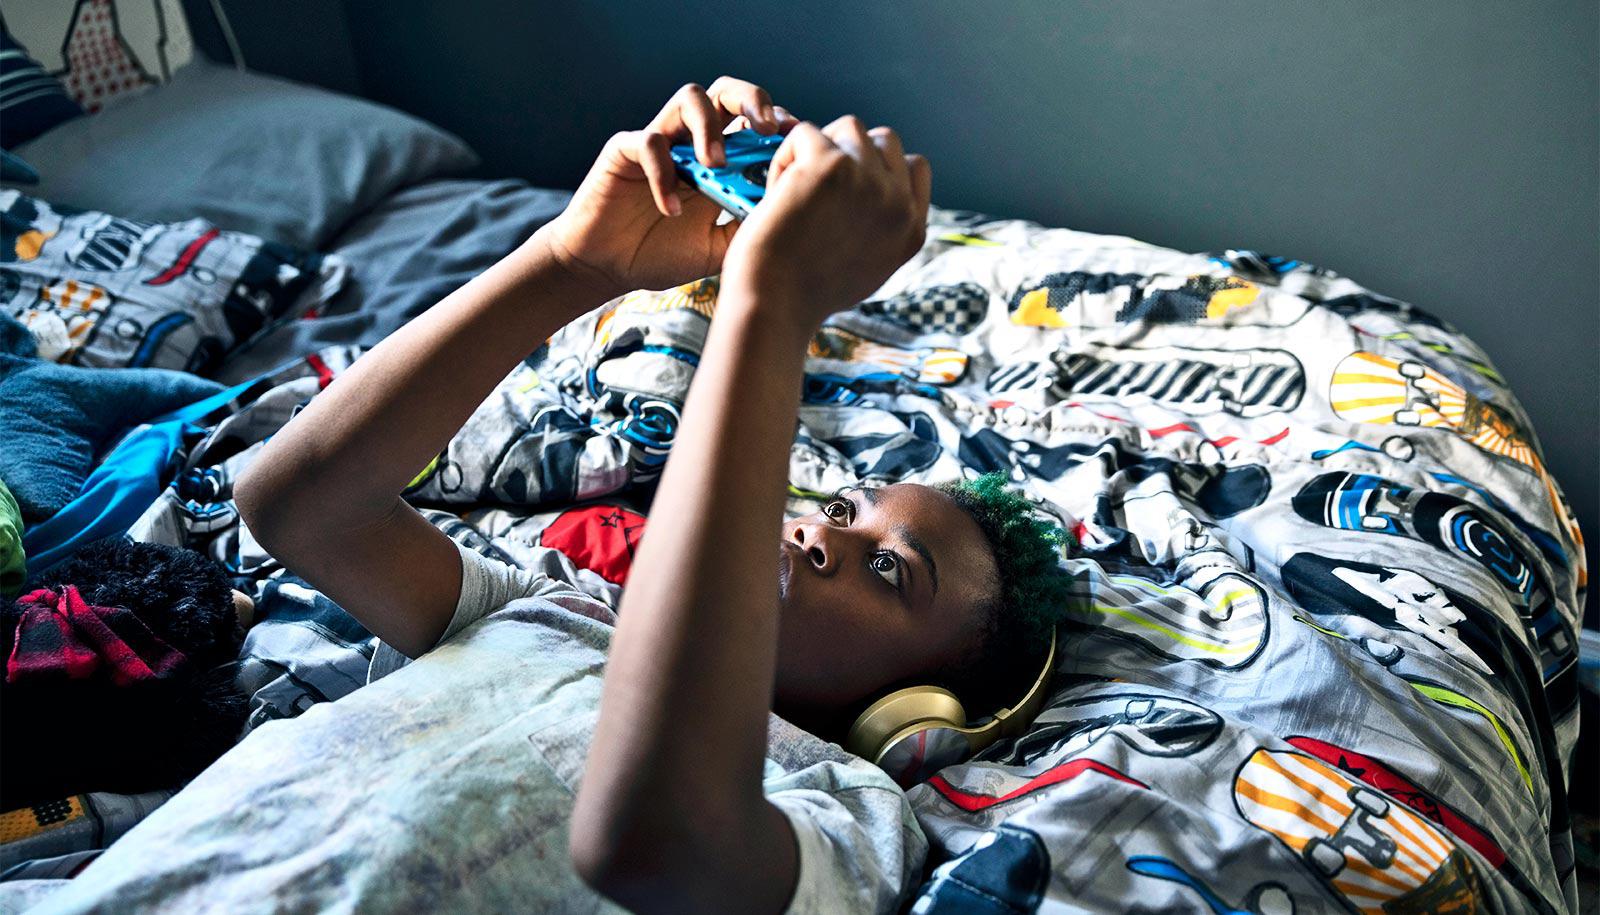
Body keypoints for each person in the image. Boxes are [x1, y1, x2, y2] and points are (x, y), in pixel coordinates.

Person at [42, 78, 1067, 915]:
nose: (819, 534)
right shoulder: (569, 613)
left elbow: (654, 849)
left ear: (917, 713)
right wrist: (572, 259)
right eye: (841, 510)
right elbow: (298, 505)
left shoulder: (842, 814)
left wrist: (773, 302)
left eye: (890, 570)